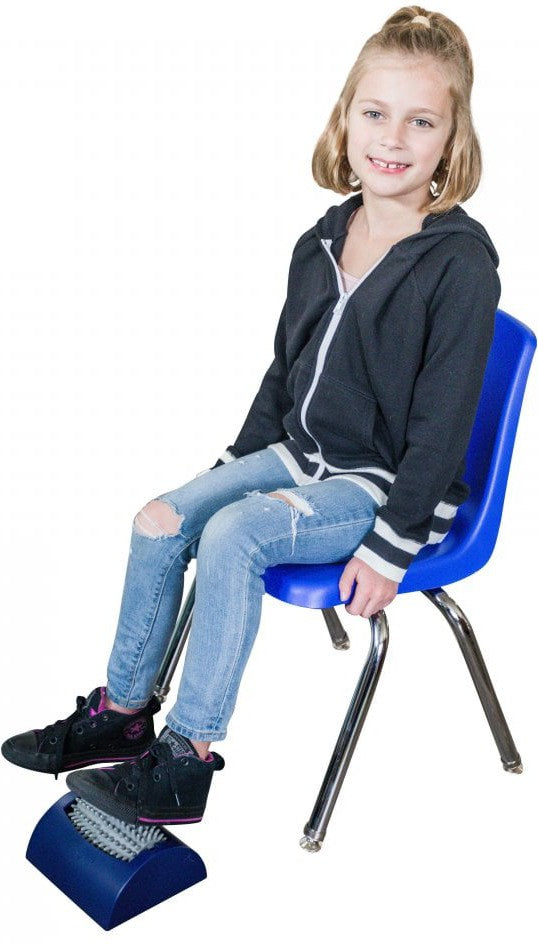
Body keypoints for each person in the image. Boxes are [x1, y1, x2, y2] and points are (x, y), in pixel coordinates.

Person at [1, 6, 501, 827]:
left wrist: (392, 545)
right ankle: (125, 714)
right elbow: (285, 372)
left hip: (385, 490)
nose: (392, 137)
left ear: (452, 140)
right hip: (303, 455)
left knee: (235, 535)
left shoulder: (460, 266)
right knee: (160, 520)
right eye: (375, 112)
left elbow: (445, 429)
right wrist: (234, 465)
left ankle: (186, 759)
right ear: (345, 119)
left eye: (421, 121)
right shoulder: (322, 240)